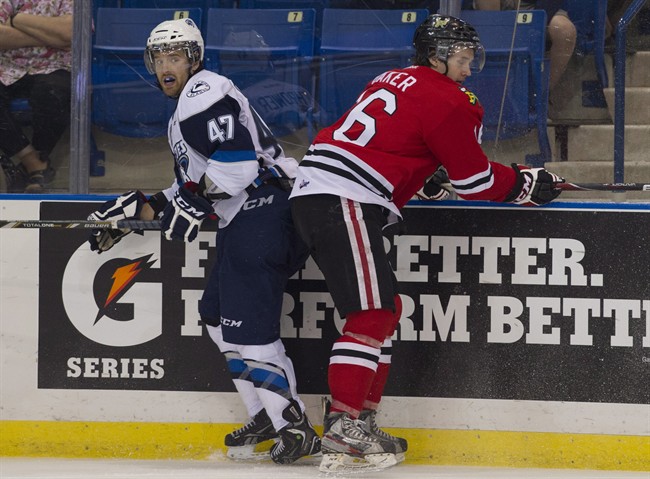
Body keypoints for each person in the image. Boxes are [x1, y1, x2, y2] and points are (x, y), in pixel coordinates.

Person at [289, 14, 564, 474]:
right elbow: (475, 181)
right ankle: (342, 427)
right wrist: (522, 181)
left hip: (329, 191)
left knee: (386, 309)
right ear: (436, 56)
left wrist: (426, 173)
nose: (470, 68)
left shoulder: (392, 78)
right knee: (372, 312)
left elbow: (391, 143)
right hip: (344, 197)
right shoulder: (449, 98)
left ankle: (361, 422)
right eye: (462, 58)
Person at [85, 18, 320, 465]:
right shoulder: (184, 113)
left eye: (175, 57)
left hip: (267, 208)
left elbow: (237, 169)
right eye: (159, 59)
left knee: (248, 329)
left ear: (194, 59)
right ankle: (265, 414)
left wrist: (188, 203)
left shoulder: (203, 92)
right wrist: (140, 211)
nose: (166, 67)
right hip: (250, 214)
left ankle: (294, 426)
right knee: (215, 315)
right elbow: (196, 185)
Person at [0, 0, 73, 193]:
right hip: (8, 67)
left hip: (55, 66)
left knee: (54, 94)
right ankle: (33, 162)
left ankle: (34, 160)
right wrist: (51, 37)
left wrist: (16, 19)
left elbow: (70, 33)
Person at [473, 0, 577, 92]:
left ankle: (542, 93)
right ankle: (493, 84)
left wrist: (535, 23)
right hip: (499, 6)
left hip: (535, 6)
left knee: (565, 31)